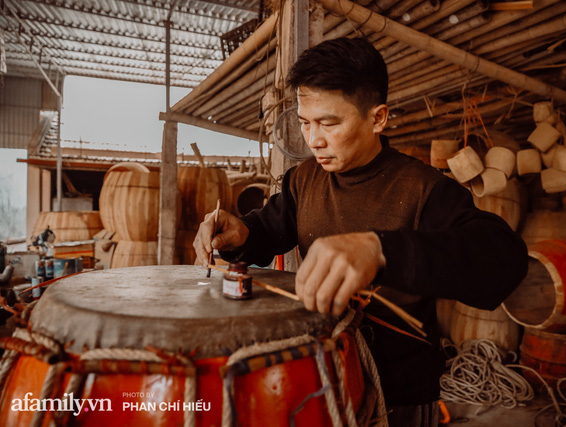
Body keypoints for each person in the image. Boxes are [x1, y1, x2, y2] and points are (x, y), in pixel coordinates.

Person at [193, 36, 528, 426]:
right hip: (319, 376)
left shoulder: (423, 188)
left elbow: (504, 259)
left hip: (398, 392)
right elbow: (268, 231)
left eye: (329, 123)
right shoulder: (303, 179)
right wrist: (241, 233)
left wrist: (380, 250)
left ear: (377, 118)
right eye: (305, 123)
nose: (313, 139)